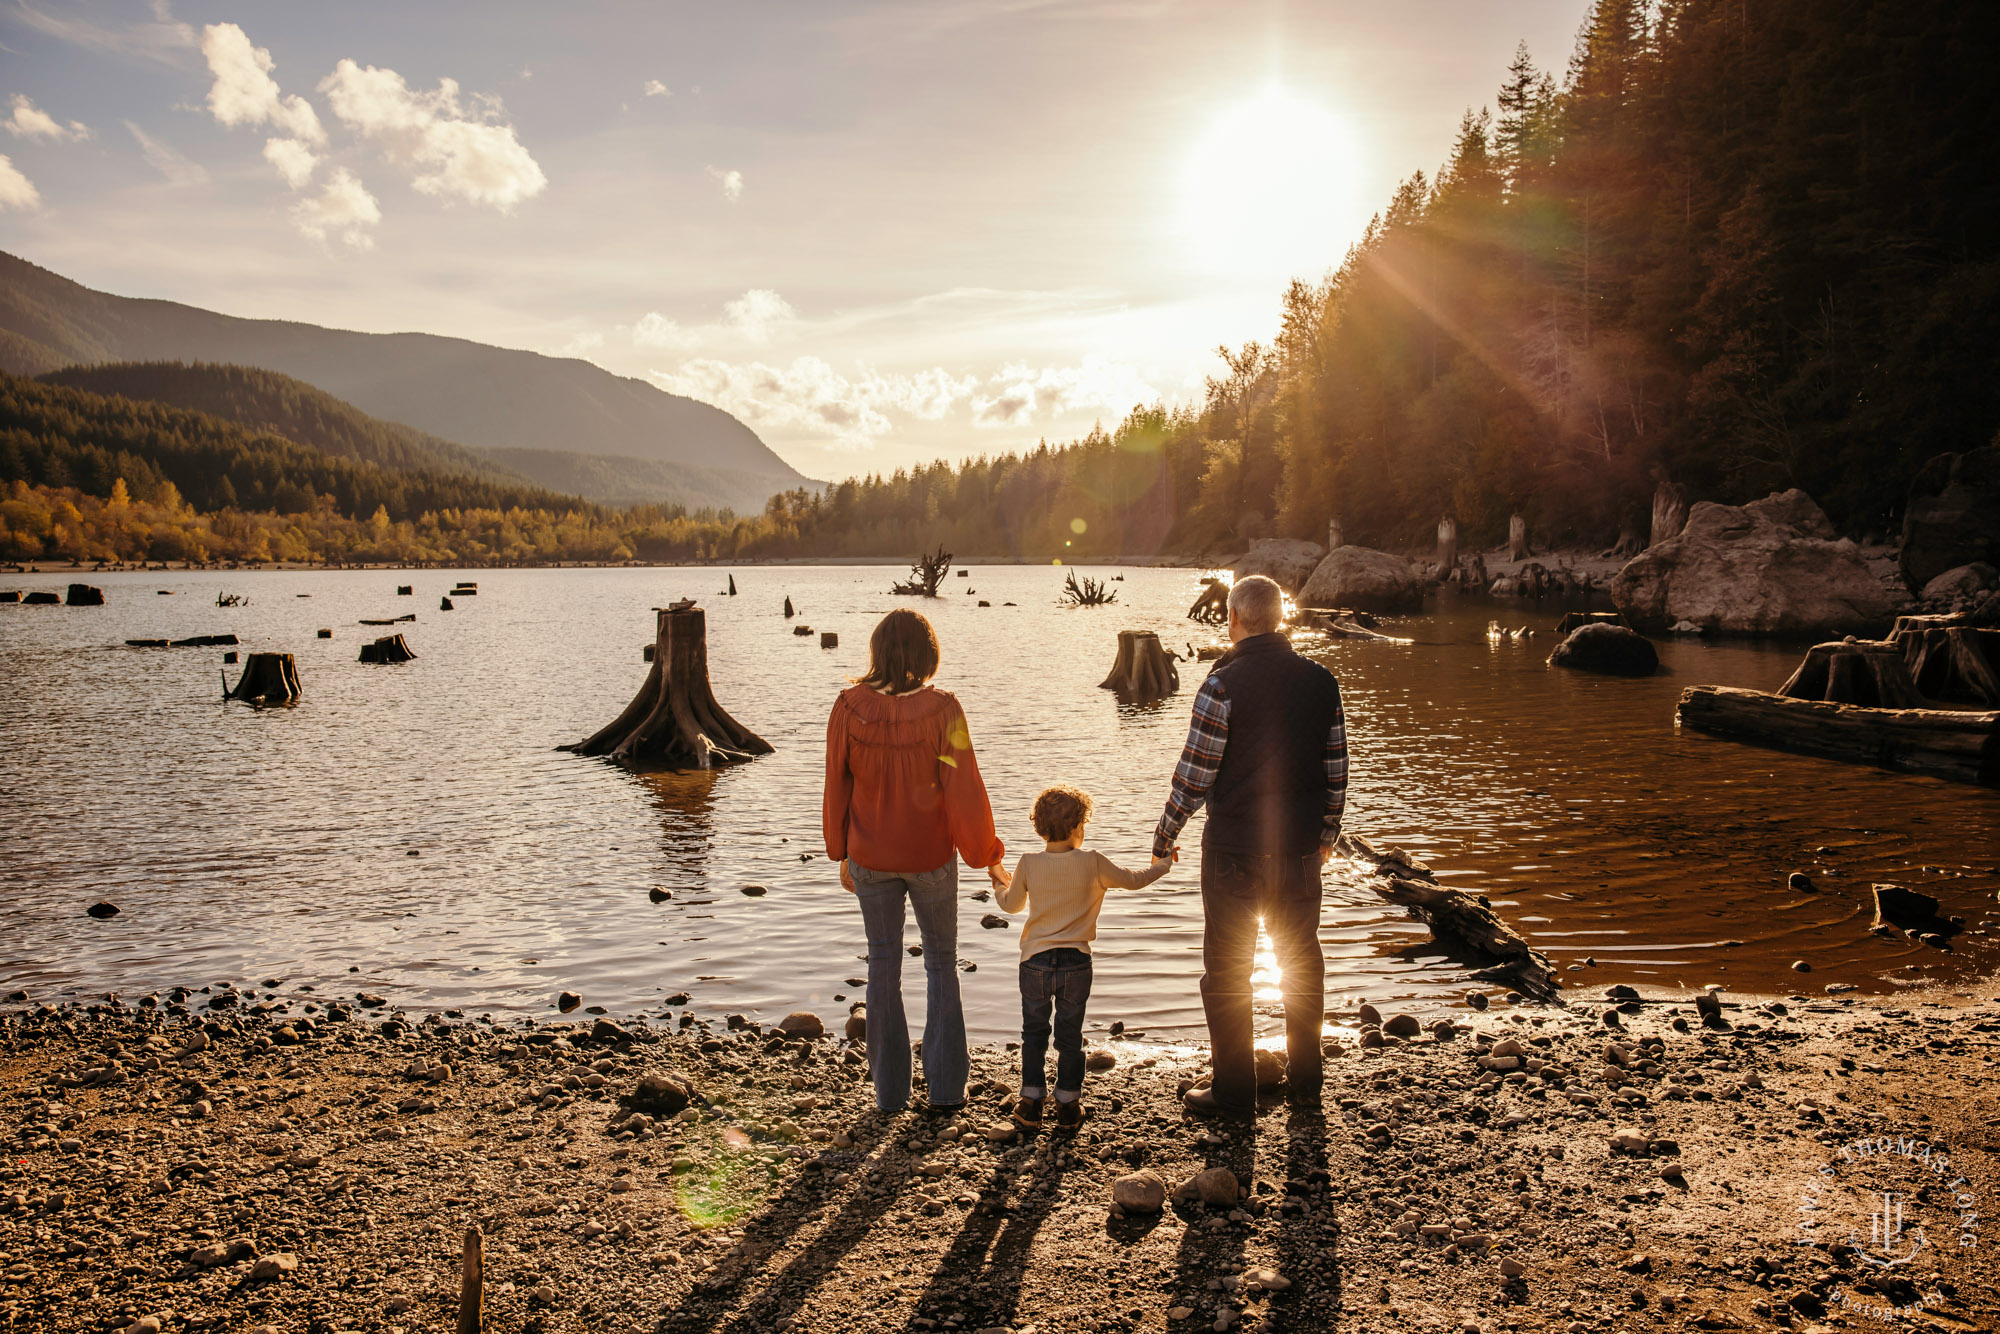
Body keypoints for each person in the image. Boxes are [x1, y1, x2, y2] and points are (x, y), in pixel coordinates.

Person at [1151, 574, 1347, 1116]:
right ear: (1281, 619)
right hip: (1301, 849)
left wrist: (1166, 833)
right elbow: (1337, 772)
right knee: (1302, 959)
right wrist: (1327, 836)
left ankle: (1234, 1089)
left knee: (1228, 969)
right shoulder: (1322, 681)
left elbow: (1195, 773)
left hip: (1234, 848)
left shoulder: (1222, 683)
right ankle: (1307, 1080)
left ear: (1233, 620)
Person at [823, 608, 1008, 1115]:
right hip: (929, 857)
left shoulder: (847, 706)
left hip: (870, 856)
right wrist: (985, 855)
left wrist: (840, 850)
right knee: (941, 964)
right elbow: (962, 787)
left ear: (877, 650)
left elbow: (836, 784)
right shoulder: (943, 709)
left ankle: (890, 1095)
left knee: (882, 965)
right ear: (927, 654)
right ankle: (947, 1091)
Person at [995, 785, 1173, 1133]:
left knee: (1034, 1032)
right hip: (1076, 963)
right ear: (1079, 826)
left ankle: (1031, 1103)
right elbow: (1134, 880)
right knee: (1070, 1037)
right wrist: (1162, 864)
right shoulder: (1092, 861)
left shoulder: (1029, 863)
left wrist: (1000, 884)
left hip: (1034, 963)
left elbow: (1011, 905)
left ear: (1039, 828)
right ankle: (1067, 1104)